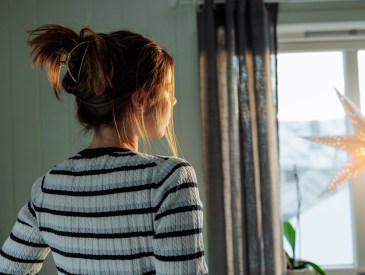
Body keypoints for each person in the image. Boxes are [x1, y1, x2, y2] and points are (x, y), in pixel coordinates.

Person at [0, 24, 208, 275]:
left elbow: (9, 269)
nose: (173, 100)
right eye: (169, 90)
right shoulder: (170, 180)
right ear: (141, 98)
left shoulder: (48, 187)